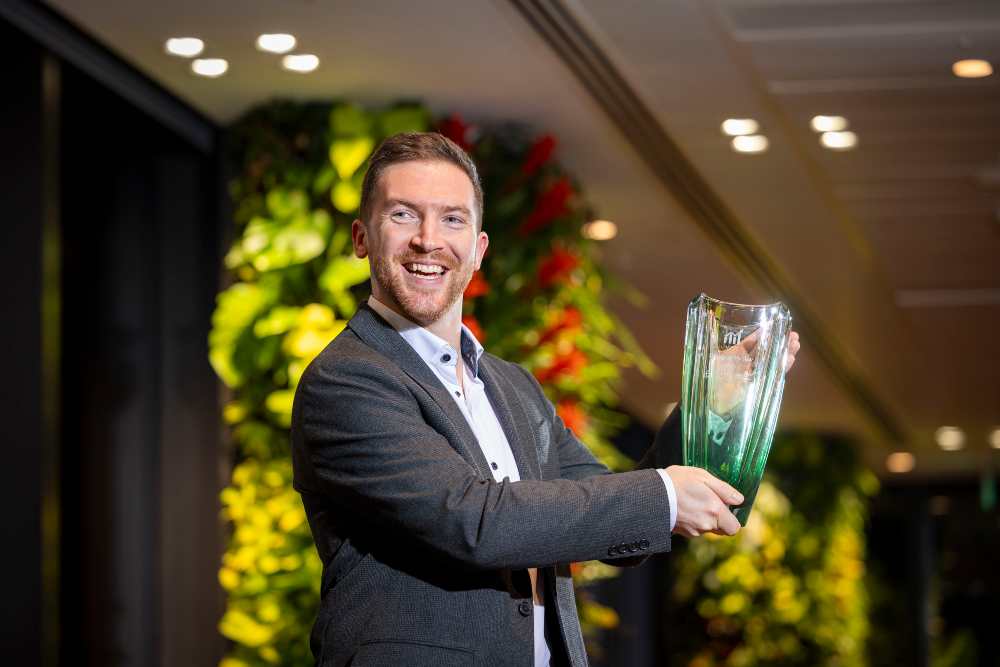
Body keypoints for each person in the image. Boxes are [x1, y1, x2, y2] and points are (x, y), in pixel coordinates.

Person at [290, 132, 800, 667]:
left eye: (452, 219)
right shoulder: (347, 380)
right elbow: (475, 522)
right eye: (402, 215)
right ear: (362, 238)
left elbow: (605, 503)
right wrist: (664, 498)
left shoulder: (513, 387)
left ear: (479, 249)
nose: (427, 239)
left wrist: (716, 395)